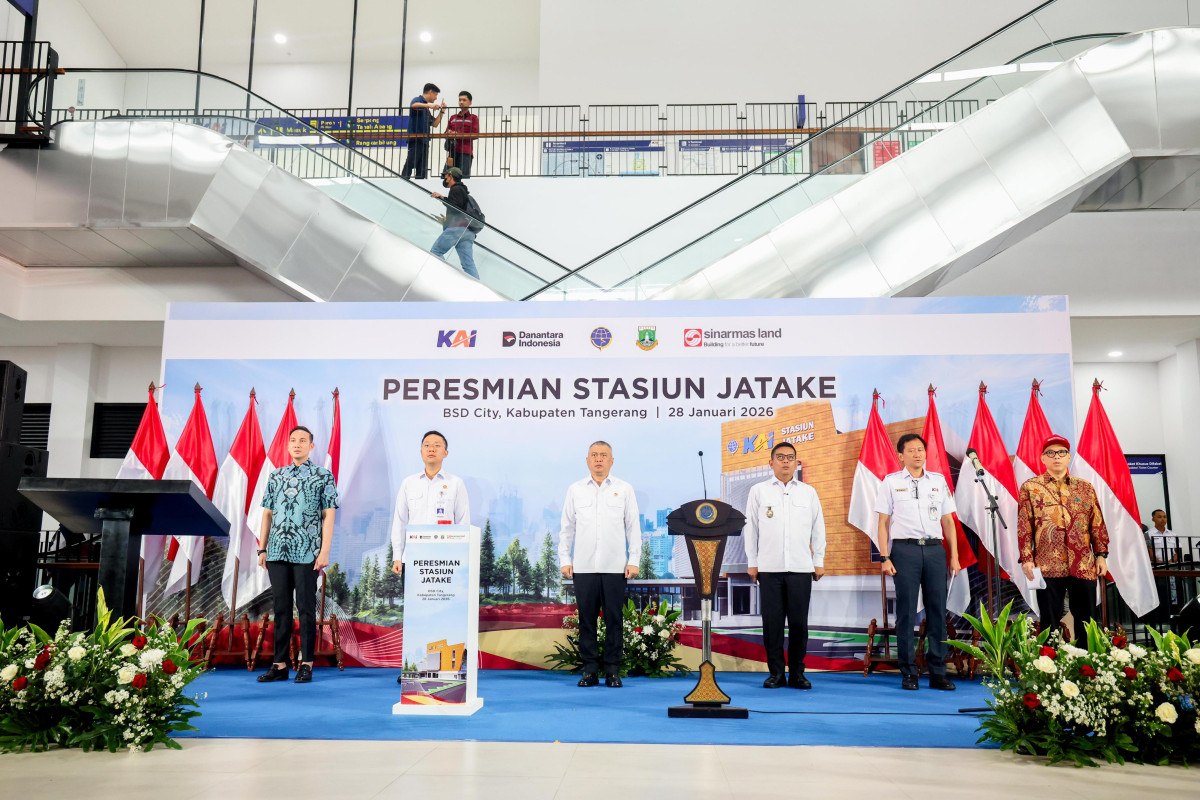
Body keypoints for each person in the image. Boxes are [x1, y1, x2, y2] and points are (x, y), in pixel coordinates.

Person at [876, 433, 960, 691]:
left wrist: (954, 556)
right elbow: (883, 523)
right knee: (906, 612)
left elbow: (948, 521)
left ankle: (938, 672)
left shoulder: (938, 481)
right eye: (911, 450)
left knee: (937, 612)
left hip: (935, 551)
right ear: (901, 455)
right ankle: (909, 672)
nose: (917, 454)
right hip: (905, 551)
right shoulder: (891, 482)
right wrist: (885, 556)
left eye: (921, 449)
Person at [256, 426, 339, 684]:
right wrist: (262, 547)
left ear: (311, 446)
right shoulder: (276, 476)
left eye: (303, 441)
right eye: (293, 440)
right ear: (287, 445)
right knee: (280, 609)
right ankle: (279, 665)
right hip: (277, 551)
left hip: (307, 553)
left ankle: (306, 663)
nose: (297, 444)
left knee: (305, 609)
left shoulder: (322, 476)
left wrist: (324, 551)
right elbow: (267, 513)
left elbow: (329, 515)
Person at [387, 429, 470, 683]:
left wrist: (461, 559)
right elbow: (399, 521)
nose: (431, 449)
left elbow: (463, 522)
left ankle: (445, 668)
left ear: (446, 452)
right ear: (421, 451)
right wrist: (398, 556)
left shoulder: (455, 483)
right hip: (415, 560)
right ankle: (411, 667)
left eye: (437, 445)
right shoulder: (408, 483)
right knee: (416, 615)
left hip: (447, 562)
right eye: (426, 445)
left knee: (443, 612)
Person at [558, 441, 640, 687]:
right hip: (583, 566)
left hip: (616, 567)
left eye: (604, 455)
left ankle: (612, 671)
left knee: (614, 619)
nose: (598, 459)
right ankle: (590, 670)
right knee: (586, 620)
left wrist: (633, 559)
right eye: (594, 455)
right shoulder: (575, 489)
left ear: (611, 461)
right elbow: (566, 528)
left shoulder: (624, 489)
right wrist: (565, 559)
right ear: (587, 460)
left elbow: (633, 527)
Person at [745, 442, 825, 690]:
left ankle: (798, 674)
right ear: (771, 463)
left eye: (790, 457)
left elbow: (818, 528)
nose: (786, 461)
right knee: (773, 624)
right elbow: (751, 530)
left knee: (800, 624)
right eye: (780, 457)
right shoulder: (758, 491)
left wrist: (818, 560)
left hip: (801, 568)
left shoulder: (808, 492)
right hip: (769, 568)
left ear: (796, 462)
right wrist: (753, 562)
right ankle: (776, 674)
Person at [1017, 434, 1109, 645]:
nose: (1056, 457)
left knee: (1086, 620)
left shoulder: (1085, 487)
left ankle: (1087, 667)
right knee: (1049, 620)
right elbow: (1024, 526)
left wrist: (1101, 555)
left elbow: (1096, 523)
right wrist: (1027, 558)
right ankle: (1048, 668)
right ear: (1043, 459)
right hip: (1048, 563)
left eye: (1061, 452)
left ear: (1069, 457)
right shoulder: (1031, 488)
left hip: (1083, 563)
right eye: (1050, 453)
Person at [429, 167, 479, 279]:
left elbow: (455, 208)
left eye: (446, 176)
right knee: (468, 265)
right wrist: (447, 220)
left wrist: (441, 197)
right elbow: (459, 210)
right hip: (467, 231)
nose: (444, 178)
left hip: (457, 229)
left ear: (451, 176)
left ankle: (448, 278)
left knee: (435, 252)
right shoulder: (463, 191)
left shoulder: (455, 189)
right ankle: (476, 286)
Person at [400, 82, 446, 180]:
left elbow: (435, 124)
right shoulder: (418, 100)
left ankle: (420, 187)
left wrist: (442, 112)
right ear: (430, 92)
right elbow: (413, 105)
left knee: (422, 169)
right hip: (416, 140)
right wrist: (429, 105)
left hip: (425, 142)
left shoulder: (427, 109)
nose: (436, 98)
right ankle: (402, 182)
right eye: (435, 95)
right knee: (410, 164)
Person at [443, 90, 479, 178]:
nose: (461, 102)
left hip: (465, 152)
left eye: (464, 100)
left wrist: (457, 134)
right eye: (460, 100)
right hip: (452, 152)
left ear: (470, 102)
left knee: (463, 177)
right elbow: (445, 133)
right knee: (446, 177)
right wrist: (449, 133)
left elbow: (475, 134)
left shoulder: (473, 118)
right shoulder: (453, 117)